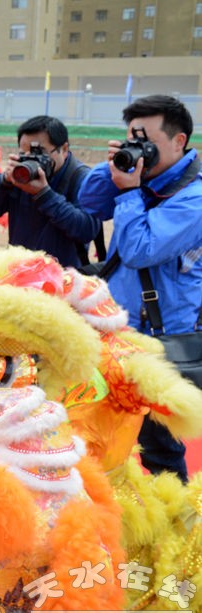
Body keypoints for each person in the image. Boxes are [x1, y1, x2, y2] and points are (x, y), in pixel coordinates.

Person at [78, 94, 202, 483]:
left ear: (179, 141)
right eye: (133, 138)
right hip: (118, 331)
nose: (140, 148)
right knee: (108, 433)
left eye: (147, 140)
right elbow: (89, 201)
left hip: (159, 338)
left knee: (158, 444)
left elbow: (139, 250)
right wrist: (118, 164)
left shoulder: (194, 199)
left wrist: (130, 191)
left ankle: (176, 513)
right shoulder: (143, 177)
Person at [0, 115, 103, 269]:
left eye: (39, 152)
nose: (32, 159)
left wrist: (44, 194)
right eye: (25, 153)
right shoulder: (21, 175)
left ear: (64, 149)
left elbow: (87, 230)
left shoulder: (82, 179)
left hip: (62, 276)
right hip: (21, 271)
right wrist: (3, 181)